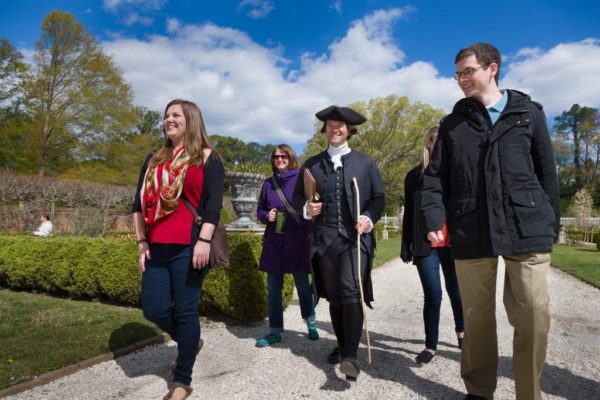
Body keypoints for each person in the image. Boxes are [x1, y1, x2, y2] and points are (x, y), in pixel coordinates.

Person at [421, 43, 560, 400]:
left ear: (492, 68)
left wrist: (551, 223)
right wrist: (434, 216)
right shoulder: (452, 125)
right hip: (472, 229)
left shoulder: (528, 114)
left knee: (532, 314)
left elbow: (547, 173)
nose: (462, 79)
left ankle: (528, 394)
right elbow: (435, 178)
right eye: (458, 74)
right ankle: (479, 391)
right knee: (478, 320)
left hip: (525, 226)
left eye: (468, 71)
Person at [132, 99, 225, 400]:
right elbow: (137, 205)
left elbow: (212, 205)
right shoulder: (154, 158)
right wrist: (141, 241)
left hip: (190, 244)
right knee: (154, 309)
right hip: (156, 245)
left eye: (176, 115)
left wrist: (205, 240)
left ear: (192, 120)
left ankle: (182, 380)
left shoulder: (207, 157)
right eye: (166, 115)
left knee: (186, 311)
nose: (169, 119)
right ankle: (190, 341)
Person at [293, 105, 385, 381]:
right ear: (325, 130)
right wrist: (308, 209)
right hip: (324, 240)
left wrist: (368, 217)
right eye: (330, 125)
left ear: (349, 131)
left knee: (350, 291)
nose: (335, 129)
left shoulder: (365, 163)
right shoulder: (311, 165)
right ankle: (344, 345)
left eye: (340, 126)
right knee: (334, 295)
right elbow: (299, 199)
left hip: (354, 239)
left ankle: (350, 357)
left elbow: (379, 198)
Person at [400, 127, 464, 364]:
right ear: (427, 144)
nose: (437, 144)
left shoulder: (457, 173)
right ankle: (431, 345)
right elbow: (410, 215)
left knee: (456, 290)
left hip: (453, 244)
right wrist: (406, 245)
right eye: (433, 140)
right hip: (425, 245)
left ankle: (462, 332)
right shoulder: (414, 177)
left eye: (442, 140)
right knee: (433, 295)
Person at [255, 144, 319, 347]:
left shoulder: (303, 178)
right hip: (274, 242)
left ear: (290, 157)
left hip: (297, 241)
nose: (279, 159)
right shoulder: (267, 184)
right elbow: (259, 210)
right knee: (273, 288)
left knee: (302, 286)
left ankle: (311, 322)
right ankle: (274, 331)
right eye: (276, 157)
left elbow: (314, 205)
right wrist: (267, 215)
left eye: (283, 156)